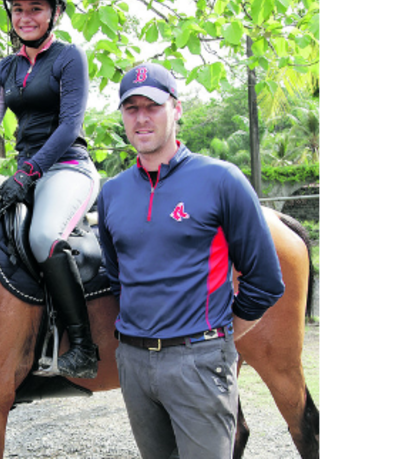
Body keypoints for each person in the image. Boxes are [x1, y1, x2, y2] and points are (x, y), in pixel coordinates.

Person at [97, 63, 285, 458]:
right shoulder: (111, 192)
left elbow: (266, 280)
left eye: (153, 106)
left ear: (177, 109)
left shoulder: (221, 180)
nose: (142, 118)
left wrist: (217, 339)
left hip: (199, 360)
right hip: (133, 364)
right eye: (132, 109)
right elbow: (118, 278)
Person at [0, 0, 100, 379]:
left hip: (68, 168)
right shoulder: (7, 68)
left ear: (55, 12)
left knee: (43, 237)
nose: (26, 17)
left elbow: (69, 126)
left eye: (36, 8)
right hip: (27, 174)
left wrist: (29, 173)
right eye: (18, 9)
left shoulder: (69, 58)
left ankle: (84, 347)